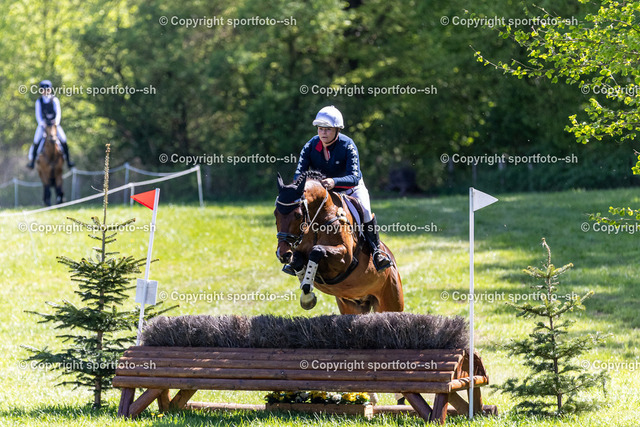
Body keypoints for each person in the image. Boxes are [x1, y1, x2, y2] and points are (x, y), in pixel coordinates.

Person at [292, 105, 392, 271]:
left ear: (337, 130)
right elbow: (299, 174)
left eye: (328, 129)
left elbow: (354, 177)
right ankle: (296, 253)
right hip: (324, 192)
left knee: (366, 211)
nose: (323, 133)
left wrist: (334, 182)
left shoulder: (347, 145)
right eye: (320, 129)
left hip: (350, 189)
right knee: (301, 212)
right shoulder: (311, 145)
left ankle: (377, 253)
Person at [27, 80, 74, 169]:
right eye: (43, 90)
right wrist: (42, 124)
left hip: (54, 125)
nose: (45, 91)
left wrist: (56, 123)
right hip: (43, 125)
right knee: (36, 140)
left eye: (47, 89)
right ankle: (32, 162)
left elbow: (58, 113)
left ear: (50, 90)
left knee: (63, 139)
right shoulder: (39, 101)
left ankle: (68, 161)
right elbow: (38, 115)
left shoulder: (55, 100)